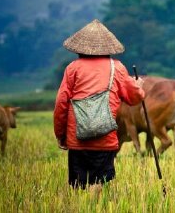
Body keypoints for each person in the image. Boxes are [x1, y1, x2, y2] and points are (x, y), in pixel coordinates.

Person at [53, 19, 145, 191]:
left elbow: (61, 103)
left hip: (77, 138)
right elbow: (133, 98)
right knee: (97, 182)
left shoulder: (72, 68)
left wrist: (60, 134)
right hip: (105, 138)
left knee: (79, 184)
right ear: (109, 49)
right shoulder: (117, 68)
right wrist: (138, 86)